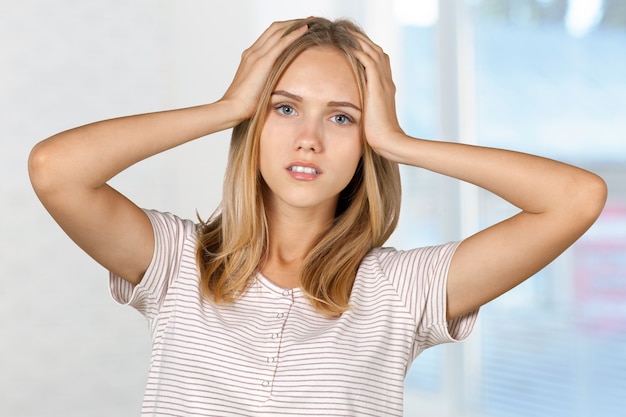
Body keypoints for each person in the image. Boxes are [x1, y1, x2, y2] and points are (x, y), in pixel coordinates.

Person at [28, 17, 606, 417]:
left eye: (341, 118)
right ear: (256, 124)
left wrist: (398, 142)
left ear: (364, 142)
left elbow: (576, 198)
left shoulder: (402, 290)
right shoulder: (176, 264)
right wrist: (226, 107)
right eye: (284, 108)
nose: (308, 139)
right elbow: (56, 168)